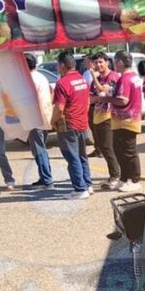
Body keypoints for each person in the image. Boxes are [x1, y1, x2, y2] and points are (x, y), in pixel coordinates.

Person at [51, 51, 94, 199]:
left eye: (57, 64)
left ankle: (79, 188)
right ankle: (87, 185)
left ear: (62, 65)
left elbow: (59, 108)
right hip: (82, 123)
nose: (57, 67)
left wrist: (52, 121)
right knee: (82, 156)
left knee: (72, 157)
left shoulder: (62, 83)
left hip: (69, 125)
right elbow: (87, 102)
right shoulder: (81, 79)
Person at [105, 51, 144, 193]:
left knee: (129, 151)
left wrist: (104, 99)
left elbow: (123, 100)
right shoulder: (134, 77)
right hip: (125, 120)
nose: (114, 64)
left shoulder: (126, 78)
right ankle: (124, 178)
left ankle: (134, 180)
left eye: (115, 61)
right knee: (120, 151)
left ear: (120, 62)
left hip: (126, 120)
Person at [88, 52, 122, 190]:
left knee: (108, 147)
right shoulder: (96, 78)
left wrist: (95, 81)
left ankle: (116, 176)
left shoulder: (112, 76)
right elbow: (91, 98)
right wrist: (99, 94)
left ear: (107, 62)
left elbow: (104, 92)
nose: (98, 65)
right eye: (96, 63)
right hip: (97, 116)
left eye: (101, 62)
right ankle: (113, 174)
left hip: (109, 117)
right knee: (102, 147)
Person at [24, 52, 54, 190]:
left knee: (39, 149)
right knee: (40, 148)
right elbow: (51, 92)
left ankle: (47, 179)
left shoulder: (29, 79)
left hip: (35, 118)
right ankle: (44, 177)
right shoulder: (42, 76)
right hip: (45, 116)